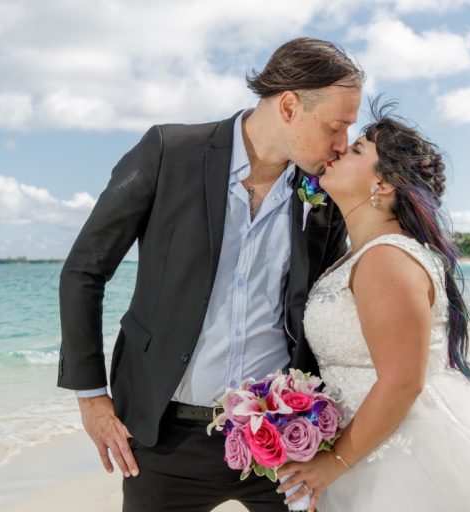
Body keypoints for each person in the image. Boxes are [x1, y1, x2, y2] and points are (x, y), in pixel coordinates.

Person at [57, 37, 364, 511]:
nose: (342, 144)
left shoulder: (324, 193)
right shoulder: (169, 151)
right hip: (161, 439)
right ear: (289, 106)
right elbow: (84, 270)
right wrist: (92, 399)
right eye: (336, 126)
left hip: (283, 443)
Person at [276, 100, 470, 511]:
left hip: (396, 456)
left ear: (383, 185)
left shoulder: (386, 259)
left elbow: (402, 381)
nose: (340, 149)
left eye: (358, 149)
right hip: (370, 447)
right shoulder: (364, 253)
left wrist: (335, 462)